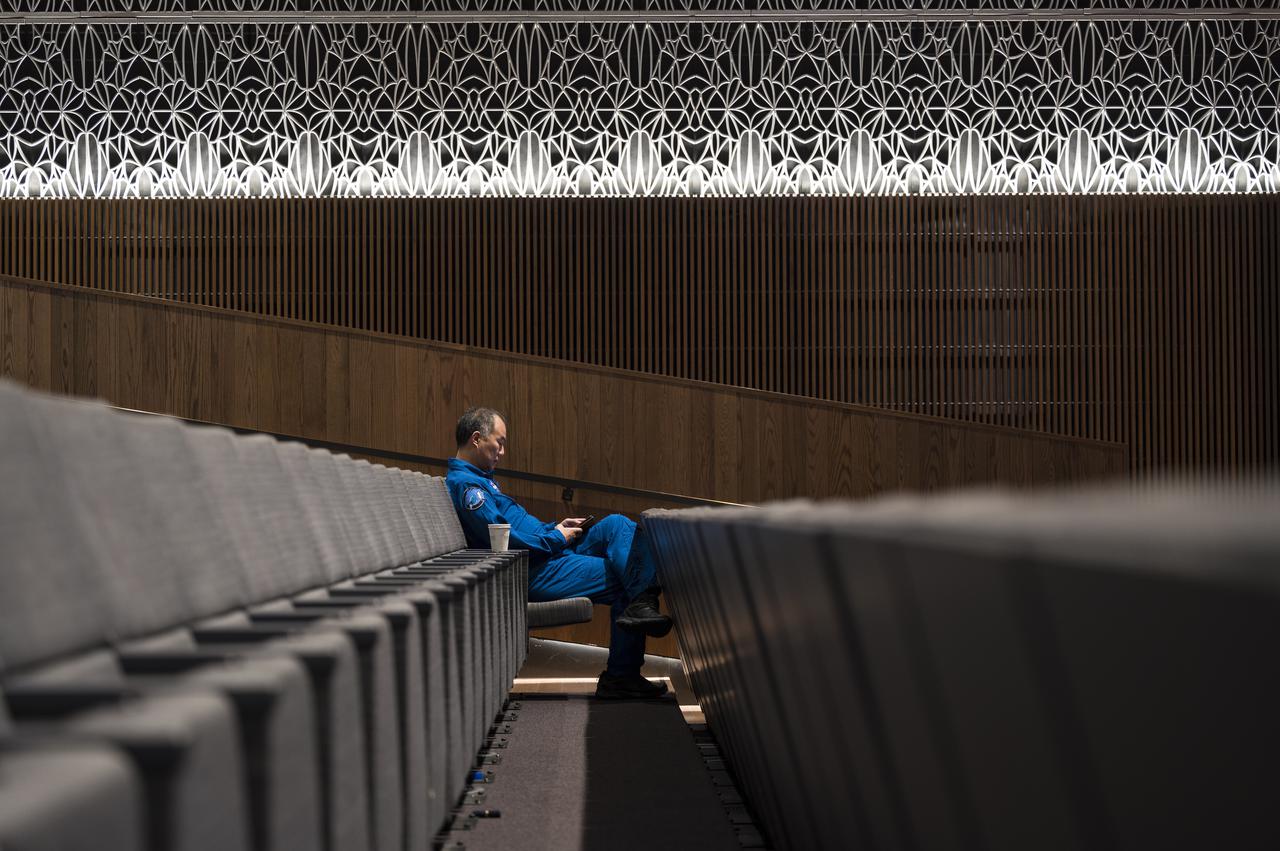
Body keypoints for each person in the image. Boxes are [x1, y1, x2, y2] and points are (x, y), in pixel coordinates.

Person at [445, 406, 674, 699]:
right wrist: (555, 538)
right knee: (626, 576)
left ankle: (642, 605)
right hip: (530, 567)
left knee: (616, 524)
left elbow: (520, 527)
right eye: (499, 442)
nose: (502, 451)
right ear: (476, 439)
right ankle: (622, 672)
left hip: (546, 550)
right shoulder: (468, 487)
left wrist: (557, 527)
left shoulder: (481, 478)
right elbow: (506, 541)